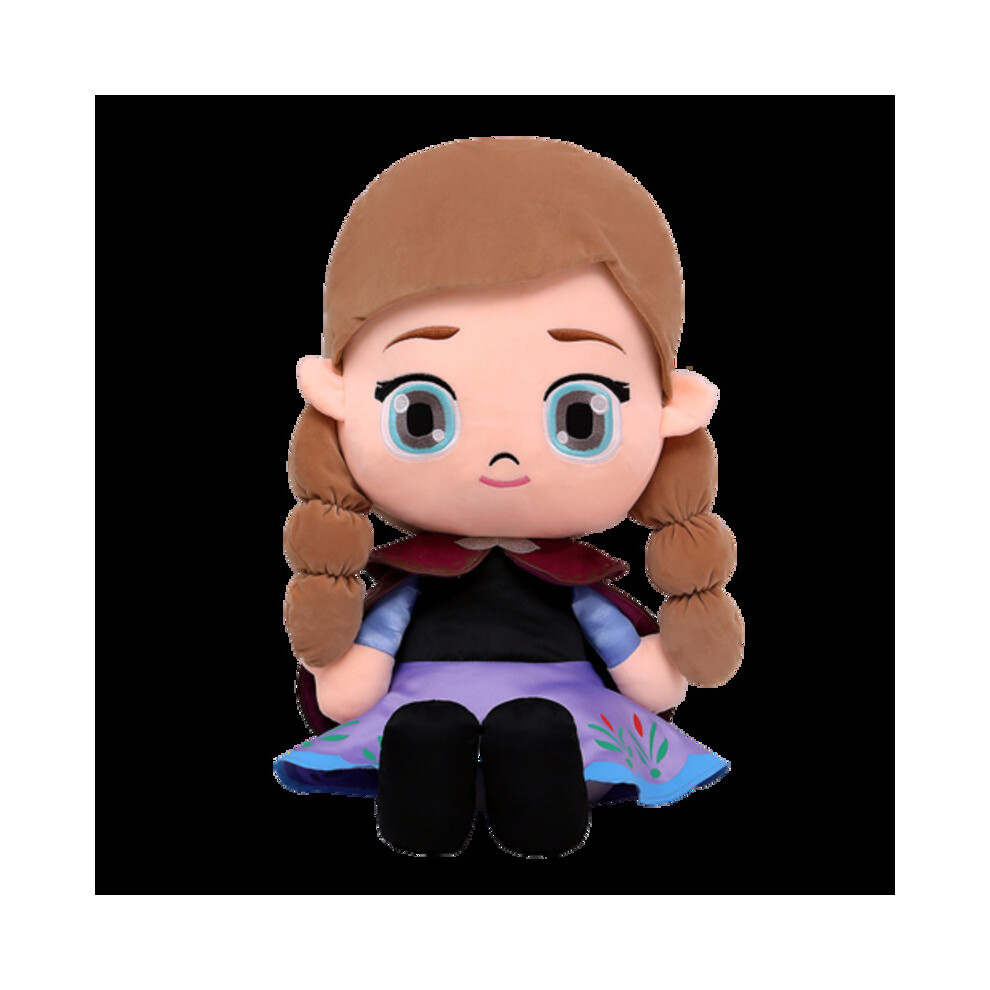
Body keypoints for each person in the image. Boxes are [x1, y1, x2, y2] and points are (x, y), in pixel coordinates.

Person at [274, 137, 744, 858]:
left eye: (580, 416)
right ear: (337, 399)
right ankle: (431, 791)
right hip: (425, 700)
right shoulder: (415, 582)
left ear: (668, 409)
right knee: (427, 729)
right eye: (421, 413)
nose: (502, 457)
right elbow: (356, 678)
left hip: (563, 708)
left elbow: (646, 675)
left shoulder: (575, 585)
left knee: (536, 730)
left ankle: (532, 793)